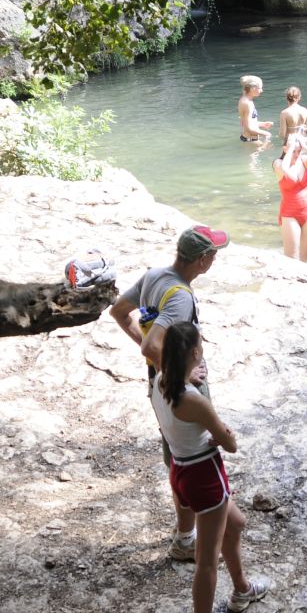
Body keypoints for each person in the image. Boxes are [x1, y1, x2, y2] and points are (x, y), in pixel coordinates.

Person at [109, 224, 231, 561]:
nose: (216, 259)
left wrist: (161, 365)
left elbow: (119, 311)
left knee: (177, 457)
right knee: (197, 460)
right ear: (204, 260)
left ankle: (184, 536)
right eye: (215, 254)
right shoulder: (180, 296)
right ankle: (192, 541)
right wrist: (185, 373)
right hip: (179, 387)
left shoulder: (154, 276)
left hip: (157, 384)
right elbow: (151, 343)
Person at [155, 322, 270, 613]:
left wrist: (188, 380)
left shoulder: (160, 383)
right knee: (206, 562)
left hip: (180, 468)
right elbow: (229, 444)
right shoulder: (193, 401)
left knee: (236, 524)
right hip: (204, 476)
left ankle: (242, 589)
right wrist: (225, 433)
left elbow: (178, 412)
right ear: (194, 353)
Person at [273, 132, 307, 262]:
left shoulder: (305, 160)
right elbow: (286, 170)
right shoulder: (278, 163)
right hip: (289, 214)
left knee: (306, 257)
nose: (297, 154)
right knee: (291, 259)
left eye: (299, 151)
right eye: (294, 151)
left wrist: (306, 147)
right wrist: (291, 147)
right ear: (285, 149)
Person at [237, 76, 272, 143]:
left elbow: (244, 123)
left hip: (248, 139)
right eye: (260, 88)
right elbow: (248, 128)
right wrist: (266, 134)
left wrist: (262, 124)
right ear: (253, 88)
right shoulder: (248, 104)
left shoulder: (245, 100)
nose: (262, 91)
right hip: (251, 140)